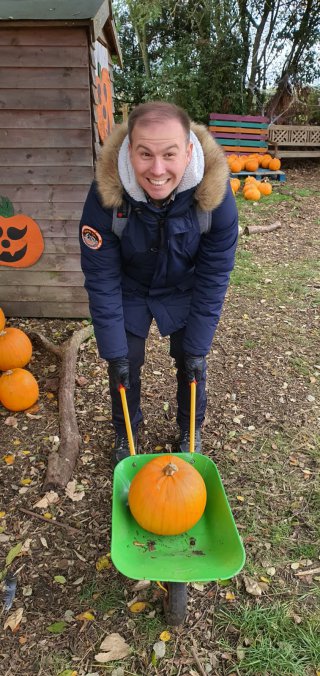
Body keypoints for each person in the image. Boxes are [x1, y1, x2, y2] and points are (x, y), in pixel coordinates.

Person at [79, 101, 238, 464]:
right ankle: (127, 435)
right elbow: (101, 278)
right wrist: (113, 351)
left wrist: (199, 347)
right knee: (124, 360)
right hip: (128, 285)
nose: (158, 169)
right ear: (128, 151)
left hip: (185, 284)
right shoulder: (106, 197)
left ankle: (190, 429)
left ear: (189, 151)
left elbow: (214, 277)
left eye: (169, 154)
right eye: (145, 154)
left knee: (191, 358)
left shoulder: (216, 199)